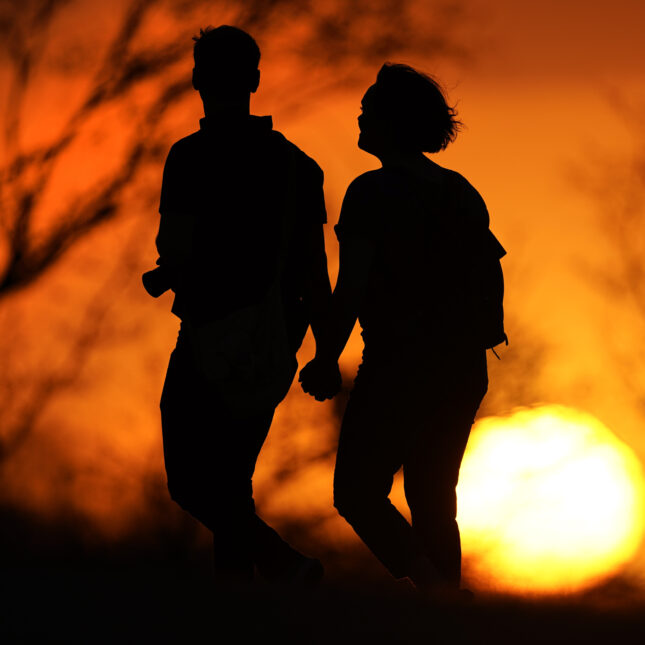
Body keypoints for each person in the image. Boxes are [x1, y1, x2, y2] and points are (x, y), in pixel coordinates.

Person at [299, 63, 506, 600]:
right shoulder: (462, 192)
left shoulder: (371, 193)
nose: (361, 115)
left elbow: (353, 289)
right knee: (434, 497)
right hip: (462, 369)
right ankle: (447, 612)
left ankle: (435, 590)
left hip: (398, 365)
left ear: (395, 122)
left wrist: (326, 357)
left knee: (356, 492)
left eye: (370, 109)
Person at [144, 25, 332, 585]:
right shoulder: (300, 166)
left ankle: (281, 565)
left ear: (198, 79)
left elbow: (174, 247)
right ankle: (248, 607)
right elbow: (315, 270)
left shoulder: (189, 158)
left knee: (191, 483)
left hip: (204, 333)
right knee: (231, 482)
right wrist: (325, 353)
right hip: (275, 338)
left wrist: (174, 271)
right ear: (254, 79)